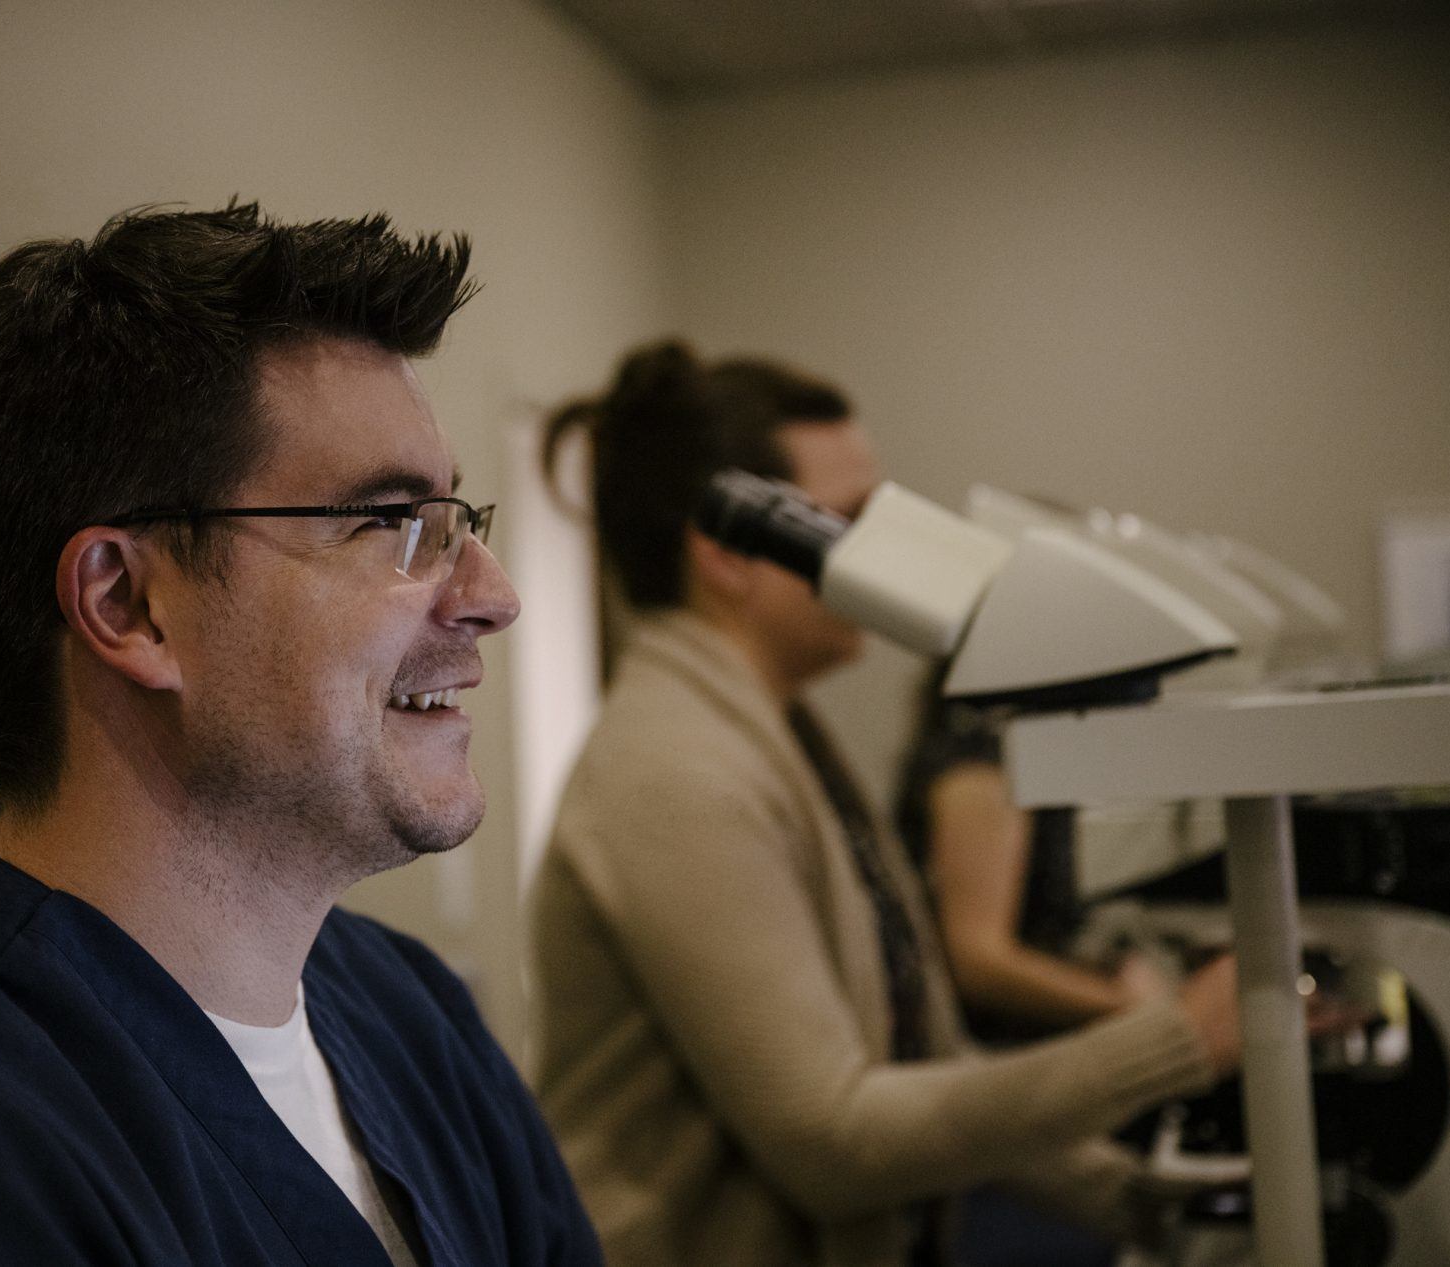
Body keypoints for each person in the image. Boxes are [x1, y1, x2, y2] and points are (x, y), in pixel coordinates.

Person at [0, 204, 600, 1266]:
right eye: (392, 522)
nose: (493, 596)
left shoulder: (410, 1017)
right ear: (128, 606)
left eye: (460, 521)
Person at [528, 340, 1243, 1267]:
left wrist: (1154, 1202)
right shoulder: (677, 770)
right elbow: (836, 1141)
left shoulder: (780, 733)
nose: (883, 560)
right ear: (727, 546)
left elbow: (924, 1068)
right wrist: (1174, 1040)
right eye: (852, 521)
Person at [895, 671, 1164, 1049]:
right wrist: (1134, 1007)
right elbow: (979, 963)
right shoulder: (981, 773)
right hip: (997, 1047)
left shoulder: (1004, 751)